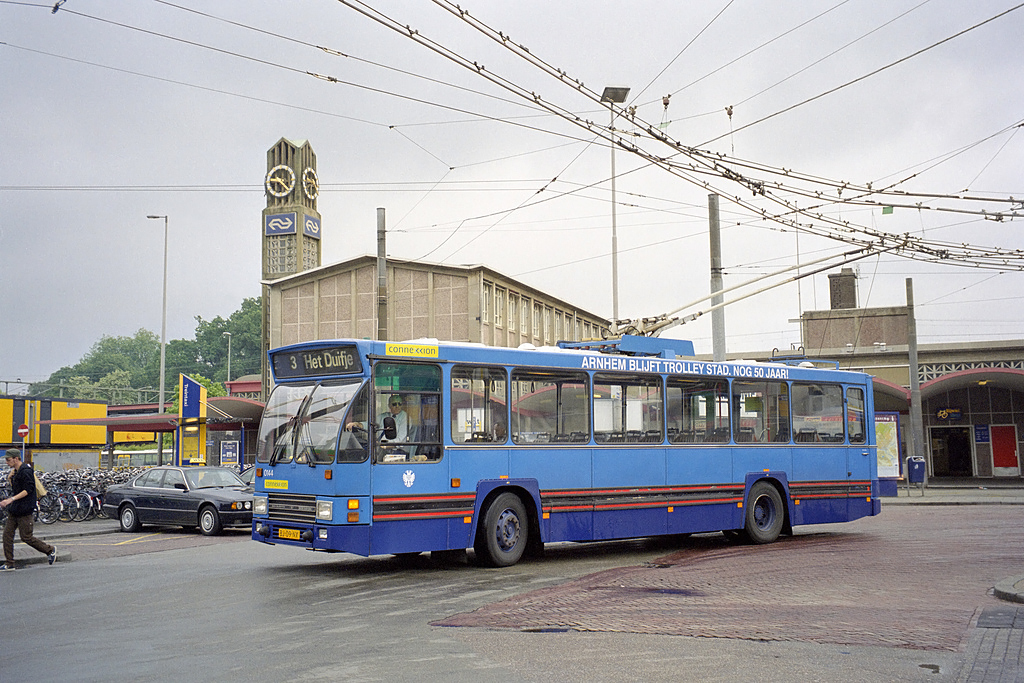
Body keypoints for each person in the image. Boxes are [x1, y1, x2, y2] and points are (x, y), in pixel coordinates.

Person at [2, 449, 56, 571]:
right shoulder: (15, 471)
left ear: (16, 459)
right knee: (7, 536)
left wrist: (10, 500)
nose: (6, 462)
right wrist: (11, 479)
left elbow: (27, 490)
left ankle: (50, 550)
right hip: (15, 509)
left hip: (25, 510)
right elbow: (17, 488)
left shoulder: (25, 471)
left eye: (8, 460)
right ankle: (10, 563)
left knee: (26, 537)